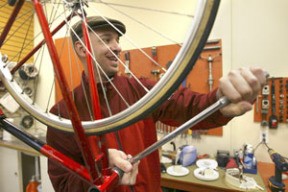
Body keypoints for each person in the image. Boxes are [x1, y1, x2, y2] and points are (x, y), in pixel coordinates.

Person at [47, 16, 267, 192]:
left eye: (118, 40)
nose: (117, 47)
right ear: (81, 48)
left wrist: (219, 102)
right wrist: (99, 170)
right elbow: (63, 184)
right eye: (106, 39)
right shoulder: (61, 113)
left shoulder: (139, 89)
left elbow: (188, 106)